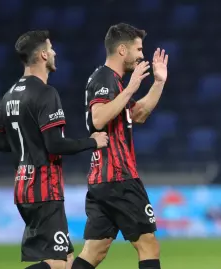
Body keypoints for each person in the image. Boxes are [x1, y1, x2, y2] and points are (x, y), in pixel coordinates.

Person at [0, 30, 108, 269]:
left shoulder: (10, 95)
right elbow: (55, 144)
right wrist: (93, 141)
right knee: (58, 264)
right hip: (44, 188)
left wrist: (26, 146)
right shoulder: (45, 93)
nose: (54, 52)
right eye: (50, 48)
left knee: (68, 260)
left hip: (23, 185)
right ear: (42, 55)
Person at [71, 23, 168, 269]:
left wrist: (158, 82)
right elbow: (98, 118)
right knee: (148, 245)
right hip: (119, 177)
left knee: (95, 251)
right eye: (138, 49)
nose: (141, 55)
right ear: (122, 50)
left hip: (103, 180)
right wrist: (131, 89)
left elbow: (139, 114)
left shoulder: (115, 82)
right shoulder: (105, 77)